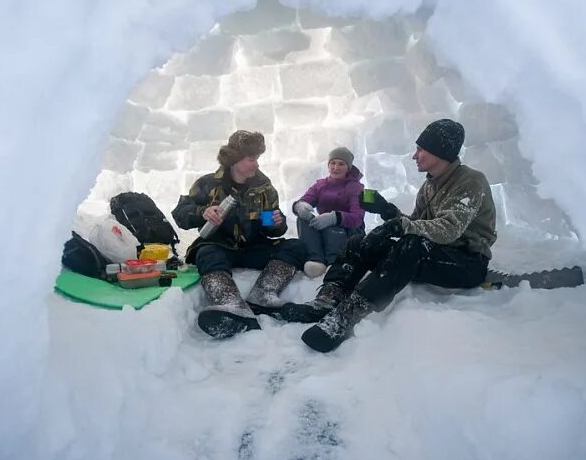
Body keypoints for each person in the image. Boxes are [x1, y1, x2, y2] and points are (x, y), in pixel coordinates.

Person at [276, 119, 497, 353]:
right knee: (359, 242)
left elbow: (448, 229)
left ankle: (346, 316)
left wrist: (398, 226)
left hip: (467, 262)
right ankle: (328, 299)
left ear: (440, 152)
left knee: (411, 245)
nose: (415, 155)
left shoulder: (470, 182)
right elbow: (418, 224)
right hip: (434, 253)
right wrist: (387, 211)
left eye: (421, 149)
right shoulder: (430, 185)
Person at [172, 130, 305, 339]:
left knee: (295, 246)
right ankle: (230, 303)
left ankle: (263, 295)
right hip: (220, 246)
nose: (257, 164)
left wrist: (276, 223)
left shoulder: (264, 187)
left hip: (253, 247)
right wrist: (201, 212)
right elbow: (180, 213)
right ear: (234, 160)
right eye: (252, 159)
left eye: (257, 158)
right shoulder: (208, 184)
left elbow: (272, 228)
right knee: (205, 252)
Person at [293, 147, 365, 278]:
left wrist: (334, 217)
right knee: (302, 218)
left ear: (348, 167)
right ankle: (315, 259)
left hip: (349, 231)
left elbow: (357, 218)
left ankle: (336, 262)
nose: (336, 167)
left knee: (332, 228)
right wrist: (301, 206)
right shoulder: (320, 185)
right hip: (323, 225)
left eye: (341, 164)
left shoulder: (356, 188)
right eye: (333, 163)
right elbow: (306, 198)